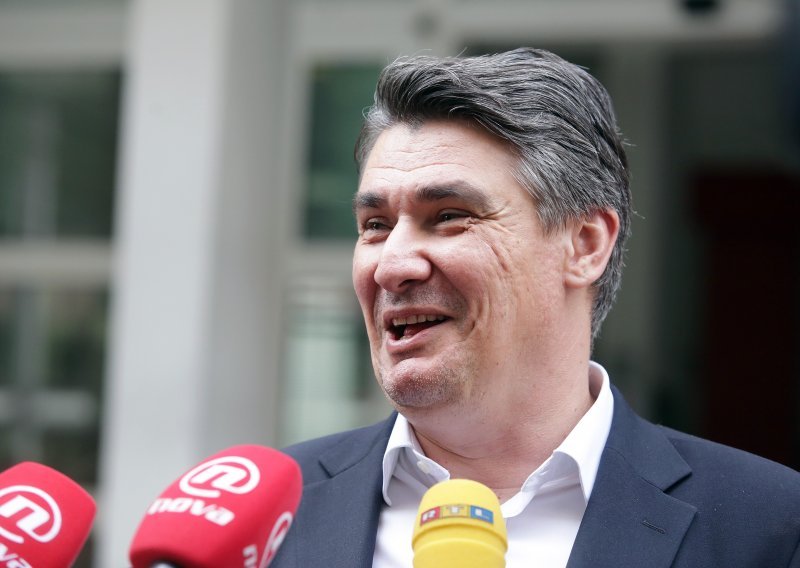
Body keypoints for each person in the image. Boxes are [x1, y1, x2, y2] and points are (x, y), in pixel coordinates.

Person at [271, 48, 800, 567]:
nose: (392, 265)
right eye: (375, 226)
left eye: (449, 215)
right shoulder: (269, 518)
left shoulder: (769, 527)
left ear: (585, 244)